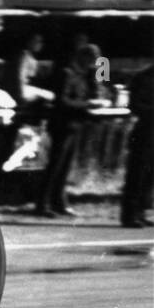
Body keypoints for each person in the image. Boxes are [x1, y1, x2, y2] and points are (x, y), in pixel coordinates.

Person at [35, 43, 104, 218]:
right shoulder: (67, 74)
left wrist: (95, 80)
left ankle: (58, 201)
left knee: (64, 167)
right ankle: (43, 203)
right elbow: (62, 101)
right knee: (56, 165)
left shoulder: (83, 75)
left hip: (74, 124)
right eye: (91, 60)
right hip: (62, 124)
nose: (92, 65)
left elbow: (95, 90)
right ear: (83, 57)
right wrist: (86, 105)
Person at [120, 63, 154, 228]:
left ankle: (141, 211)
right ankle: (129, 214)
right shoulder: (142, 78)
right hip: (145, 130)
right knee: (137, 173)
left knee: (149, 175)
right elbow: (134, 105)